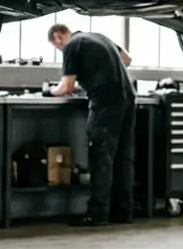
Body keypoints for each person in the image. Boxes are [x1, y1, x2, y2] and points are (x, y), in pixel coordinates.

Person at [47, 24, 136, 226]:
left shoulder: (71, 46)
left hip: (105, 100)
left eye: (56, 46)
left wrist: (49, 91)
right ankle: (123, 213)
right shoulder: (99, 36)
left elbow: (66, 87)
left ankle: (98, 213)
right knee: (123, 156)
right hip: (128, 97)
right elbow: (127, 59)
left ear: (58, 37)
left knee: (101, 155)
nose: (60, 49)